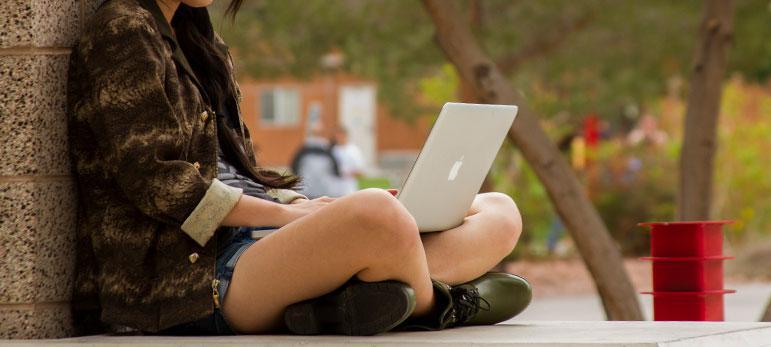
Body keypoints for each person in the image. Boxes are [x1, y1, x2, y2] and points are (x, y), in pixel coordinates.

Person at [68, 0, 531, 336]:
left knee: (499, 211)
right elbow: (159, 185)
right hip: (191, 278)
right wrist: (289, 217)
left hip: (260, 244)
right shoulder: (123, 30)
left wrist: (303, 206)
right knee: (378, 217)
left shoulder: (198, 38)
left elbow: (239, 172)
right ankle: (443, 306)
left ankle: (345, 304)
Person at [290, 122, 345, 198]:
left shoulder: (306, 148)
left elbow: (294, 165)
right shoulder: (324, 148)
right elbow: (336, 168)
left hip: (310, 188)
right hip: (320, 189)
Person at [330, 126, 365, 196]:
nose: (339, 137)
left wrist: (346, 173)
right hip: (334, 190)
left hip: (349, 189)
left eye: (341, 135)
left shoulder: (353, 150)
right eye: (337, 135)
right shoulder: (332, 151)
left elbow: (360, 172)